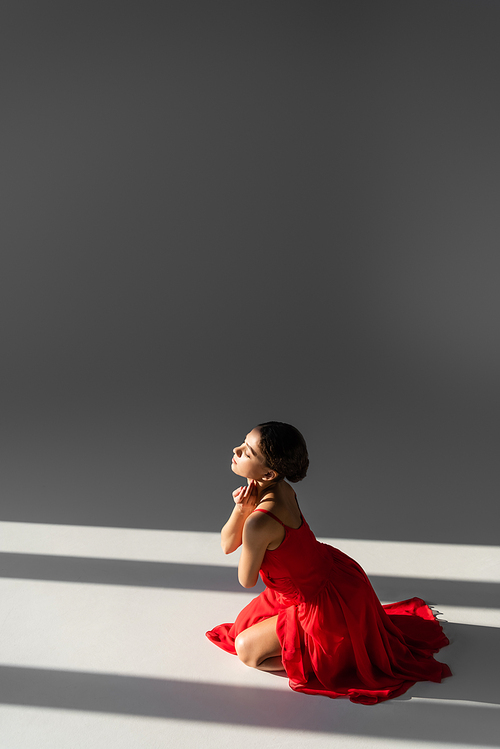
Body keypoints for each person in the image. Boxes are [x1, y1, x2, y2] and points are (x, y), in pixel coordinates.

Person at [206, 421, 451, 705]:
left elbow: (246, 580)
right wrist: (240, 509)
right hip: (330, 575)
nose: (236, 450)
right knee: (243, 626)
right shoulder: (279, 487)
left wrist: (248, 519)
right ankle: (339, 643)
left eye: (247, 451)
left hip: (320, 604)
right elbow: (226, 545)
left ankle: (335, 657)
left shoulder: (261, 520)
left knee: (246, 650)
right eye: (243, 443)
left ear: (269, 472)